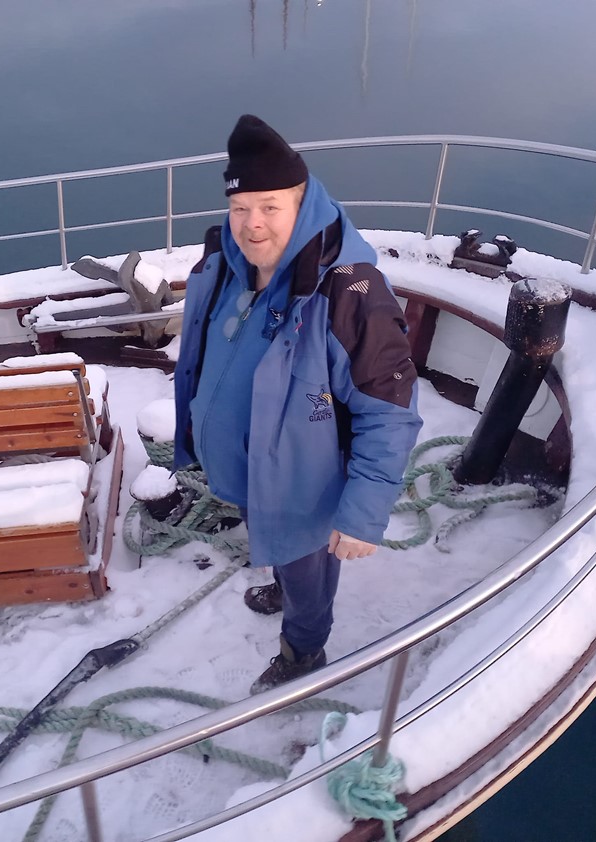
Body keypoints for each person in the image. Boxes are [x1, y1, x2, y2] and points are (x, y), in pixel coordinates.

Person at [173, 115, 422, 694]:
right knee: (278, 548)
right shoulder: (225, 265)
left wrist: (361, 515)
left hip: (306, 487)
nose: (251, 224)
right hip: (253, 472)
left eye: (270, 206)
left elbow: (389, 412)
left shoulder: (349, 293)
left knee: (309, 574)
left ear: (303, 203)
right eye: (240, 208)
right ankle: (285, 584)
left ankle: (304, 649)